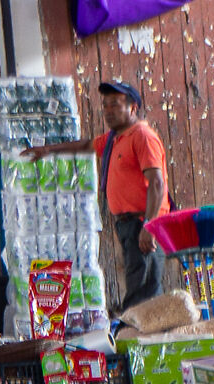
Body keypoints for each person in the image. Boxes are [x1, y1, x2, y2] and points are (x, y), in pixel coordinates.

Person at [31, 80, 168, 315]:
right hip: (128, 225)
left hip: (143, 224)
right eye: (105, 106)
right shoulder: (115, 138)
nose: (108, 111)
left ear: (133, 107)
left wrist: (149, 225)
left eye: (115, 105)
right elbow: (86, 145)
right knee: (138, 286)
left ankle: (142, 342)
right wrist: (47, 150)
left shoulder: (142, 136)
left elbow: (157, 182)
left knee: (144, 295)